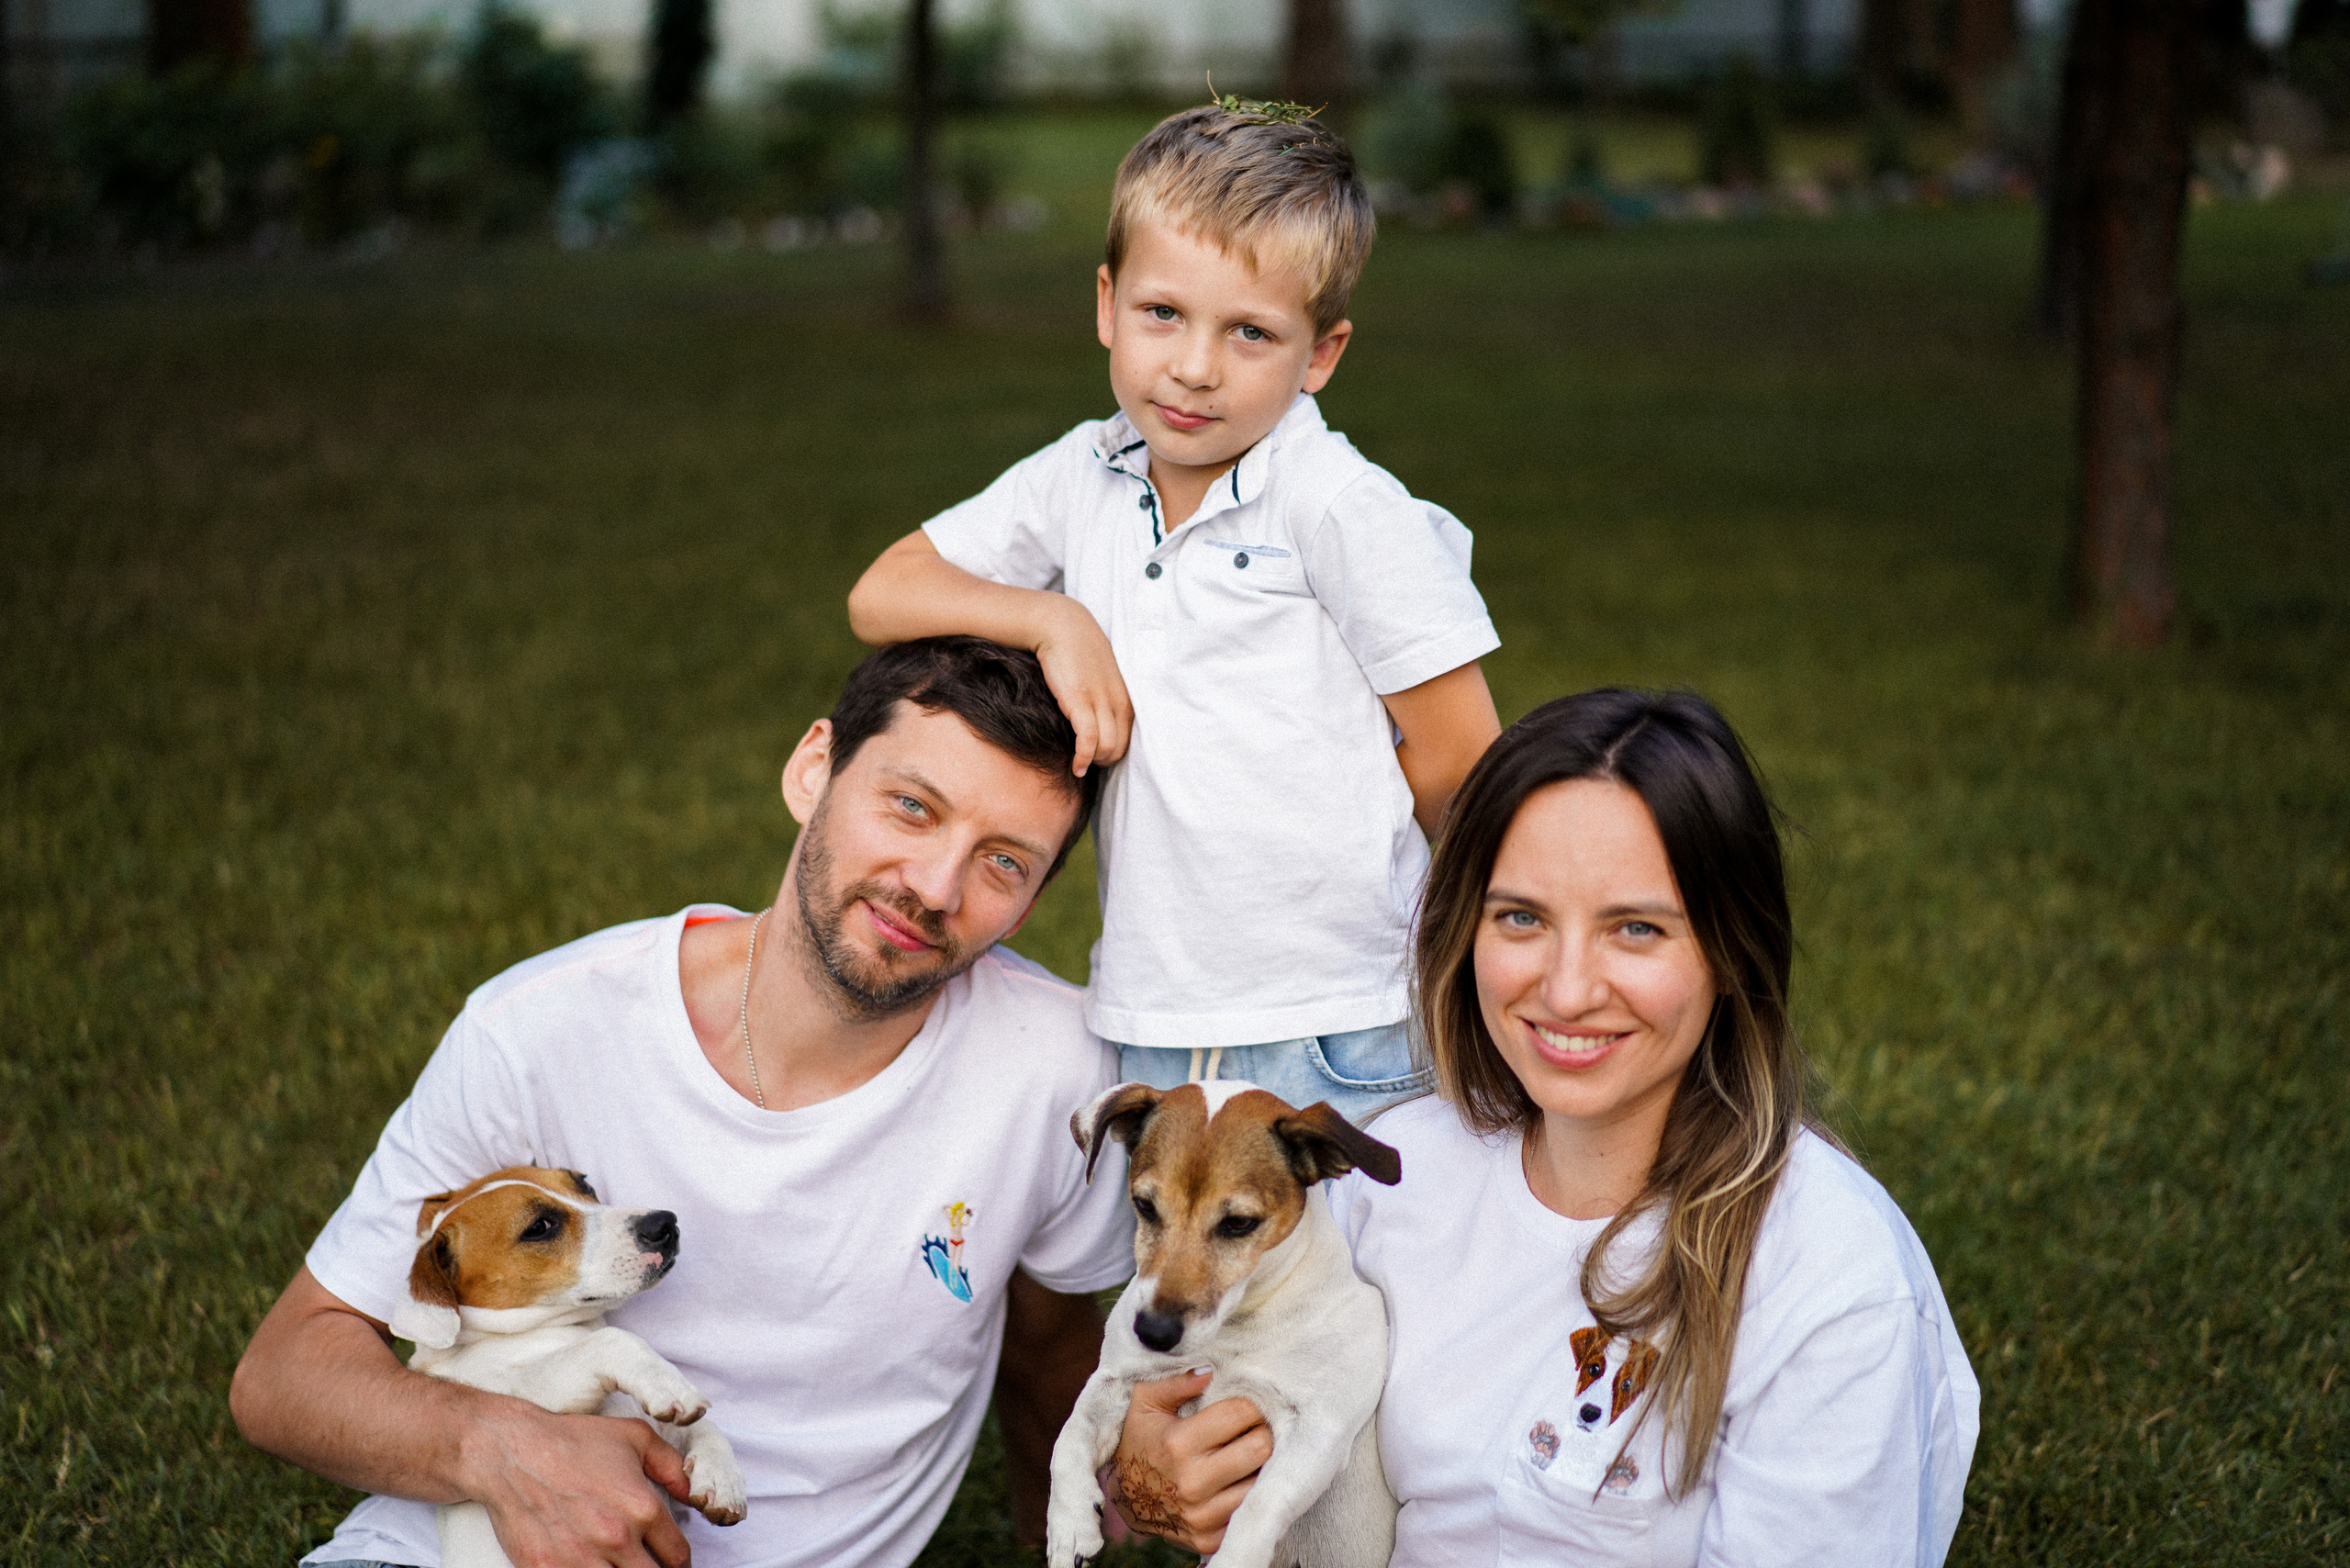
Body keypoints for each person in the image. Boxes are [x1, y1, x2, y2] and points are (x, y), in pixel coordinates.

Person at [231, 637, 1138, 1568]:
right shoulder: (540, 1027)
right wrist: (502, 1452)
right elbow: (284, 1373)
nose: (933, 886)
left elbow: (1049, 1344)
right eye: (911, 807)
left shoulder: (1058, 1071)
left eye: (1001, 863)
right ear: (813, 768)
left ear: (1027, 905)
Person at [1110, 689, 1981, 1565]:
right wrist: (1157, 1463)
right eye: (1521, 918)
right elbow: (1224, 1420)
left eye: (1635, 929)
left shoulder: (1827, 1274)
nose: (1566, 990)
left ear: (1732, 951)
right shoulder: (1397, 1174)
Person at [846, 98, 1503, 1125]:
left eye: (1250, 332)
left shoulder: (1334, 503)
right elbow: (883, 589)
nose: (1195, 367)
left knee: (1357, 1283)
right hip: (1152, 1010)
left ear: (1320, 354)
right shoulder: (1084, 471)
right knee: (1178, 1285)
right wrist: (1054, 621)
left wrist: (1481, 966)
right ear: (1106, 303)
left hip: (1341, 1018)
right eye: (1163, 314)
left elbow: (1458, 758)